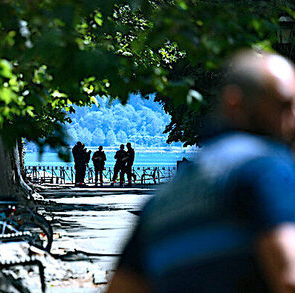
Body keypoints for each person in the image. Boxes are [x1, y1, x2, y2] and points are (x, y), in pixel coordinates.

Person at [107, 51, 295, 293]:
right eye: (283, 105)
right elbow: (289, 276)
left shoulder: (163, 200)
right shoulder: (263, 169)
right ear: (234, 102)